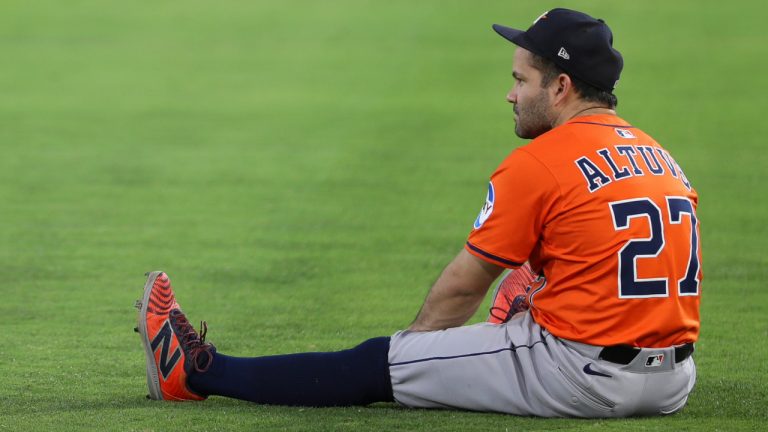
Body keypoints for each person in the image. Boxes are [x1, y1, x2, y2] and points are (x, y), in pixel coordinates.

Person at [135, 8, 701, 417]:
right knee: (529, 279)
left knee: (373, 363)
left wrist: (413, 356)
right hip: (674, 383)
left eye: (520, 80)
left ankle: (197, 372)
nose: (510, 94)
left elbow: (462, 288)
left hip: (580, 376)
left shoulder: (542, 162)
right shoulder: (660, 155)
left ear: (561, 87)